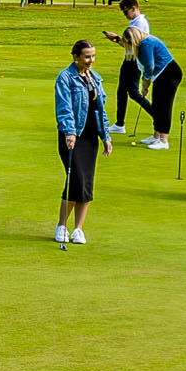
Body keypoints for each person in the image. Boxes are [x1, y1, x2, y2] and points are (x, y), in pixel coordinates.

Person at [53, 39, 114, 246]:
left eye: (93, 56)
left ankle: (78, 229)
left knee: (86, 183)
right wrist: (69, 132)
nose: (91, 60)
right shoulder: (65, 78)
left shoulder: (95, 79)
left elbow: (100, 110)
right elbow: (64, 107)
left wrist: (105, 136)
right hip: (72, 136)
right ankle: (62, 225)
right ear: (76, 56)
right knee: (76, 179)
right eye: (87, 56)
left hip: (90, 138)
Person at [120, 30, 181, 150]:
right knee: (157, 105)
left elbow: (149, 65)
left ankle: (164, 140)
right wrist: (145, 84)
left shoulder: (146, 43)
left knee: (164, 106)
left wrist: (145, 81)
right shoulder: (143, 43)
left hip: (170, 74)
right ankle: (156, 135)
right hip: (161, 75)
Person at [102, 0, 150, 134]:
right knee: (122, 91)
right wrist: (116, 39)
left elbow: (134, 44)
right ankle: (119, 124)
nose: (125, 15)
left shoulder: (139, 23)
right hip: (129, 59)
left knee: (133, 93)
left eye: (126, 12)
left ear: (134, 8)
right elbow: (127, 43)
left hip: (134, 61)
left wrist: (117, 38)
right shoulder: (135, 22)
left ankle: (157, 117)